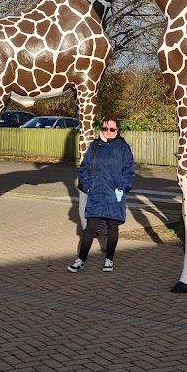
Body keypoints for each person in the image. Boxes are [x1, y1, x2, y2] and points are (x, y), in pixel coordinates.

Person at [68, 117, 135, 273]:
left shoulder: (123, 148)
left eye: (112, 129)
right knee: (90, 228)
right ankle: (81, 260)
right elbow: (84, 168)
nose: (109, 132)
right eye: (105, 129)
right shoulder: (94, 146)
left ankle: (109, 259)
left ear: (118, 130)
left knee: (112, 227)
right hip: (96, 193)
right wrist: (88, 186)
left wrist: (122, 188)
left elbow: (129, 171)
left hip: (114, 193)